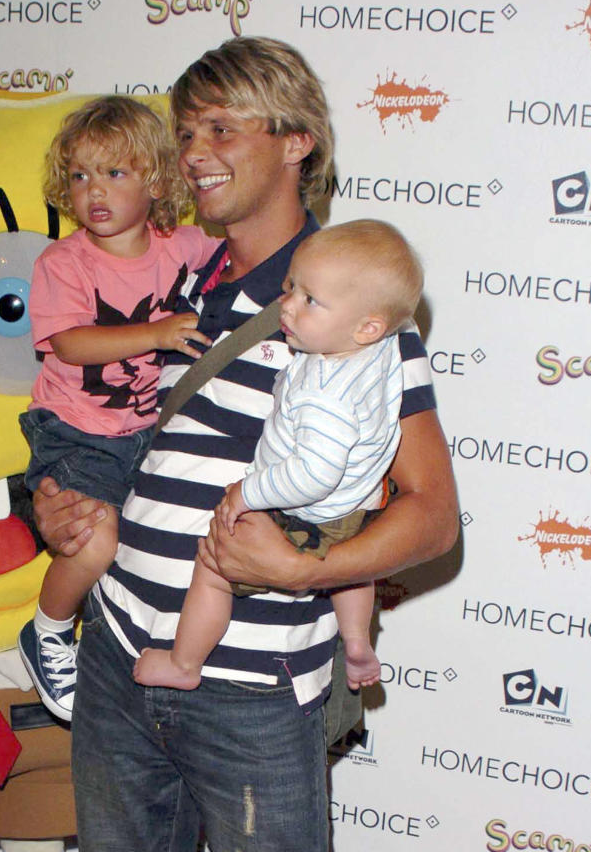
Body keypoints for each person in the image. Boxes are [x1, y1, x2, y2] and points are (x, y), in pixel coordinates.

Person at [35, 37, 458, 852]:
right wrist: (78, 520)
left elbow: (430, 516)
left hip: (254, 683)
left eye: (227, 128)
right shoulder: (194, 290)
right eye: (190, 132)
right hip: (125, 649)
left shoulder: (354, 306)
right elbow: (145, 452)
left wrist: (308, 569)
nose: (198, 154)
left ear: (298, 142)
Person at [133, 219, 423, 694]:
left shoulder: (322, 391)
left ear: (367, 326)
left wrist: (247, 493)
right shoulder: (380, 346)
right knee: (350, 571)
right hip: (352, 506)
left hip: (304, 510)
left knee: (212, 568)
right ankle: (355, 640)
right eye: (291, 288)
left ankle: (184, 662)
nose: (286, 305)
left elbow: (312, 474)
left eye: (310, 300)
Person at [17, 96, 217, 720]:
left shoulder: (179, 247)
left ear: (156, 181)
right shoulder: (65, 261)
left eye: (114, 172)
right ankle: (48, 630)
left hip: (147, 434)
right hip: (76, 433)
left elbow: (239, 245)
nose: (93, 190)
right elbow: (71, 343)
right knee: (95, 543)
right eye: (80, 176)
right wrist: (156, 334)